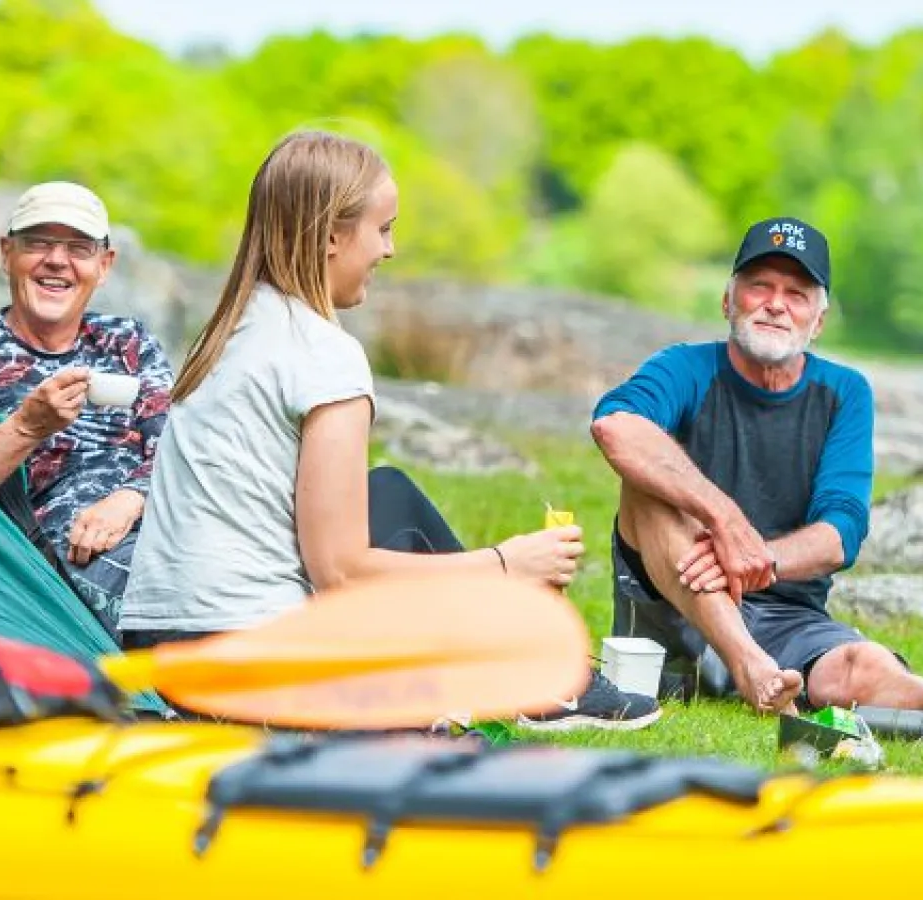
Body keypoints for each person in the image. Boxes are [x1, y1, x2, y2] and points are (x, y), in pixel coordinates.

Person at [119, 130, 657, 732]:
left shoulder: (227, 335)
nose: (390, 249)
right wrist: (504, 564)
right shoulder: (325, 356)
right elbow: (340, 572)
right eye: (382, 229)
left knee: (390, 492)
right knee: (450, 772)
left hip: (161, 648)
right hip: (248, 655)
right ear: (330, 235)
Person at [593, 216, 923, 727]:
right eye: (759, 285)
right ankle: (749, 666)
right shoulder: (684, 367)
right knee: (648, 485)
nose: (776, 304)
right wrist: (724, 522)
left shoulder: (844, 392)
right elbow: (615, 426)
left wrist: (757, 559)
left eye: (797, 293)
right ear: (727, 301)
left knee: (859, 664)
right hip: (674, 599)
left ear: (818, 321)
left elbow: (840, 534)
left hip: (787, 618)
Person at [0, 181, 173, 638]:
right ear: (7, 253)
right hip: (50, 575)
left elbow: (179, 445)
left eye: (78, 248)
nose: (57, 261)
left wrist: (129, 499)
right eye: (39, 242)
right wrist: (26, 428)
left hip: (161, 536)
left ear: (104, 265)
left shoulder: (128, 342)